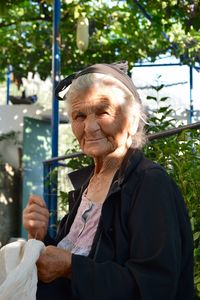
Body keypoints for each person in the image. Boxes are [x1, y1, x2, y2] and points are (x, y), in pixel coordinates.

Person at [23, 61, 194, 300]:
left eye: (103, 112)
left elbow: (156, 286)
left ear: (133, 120)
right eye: (79, 115)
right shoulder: (87, 185)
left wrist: (72, 267)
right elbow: (70, 259)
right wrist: (41, 236)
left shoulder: (150, 184)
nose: (90, 127)